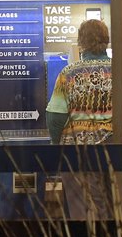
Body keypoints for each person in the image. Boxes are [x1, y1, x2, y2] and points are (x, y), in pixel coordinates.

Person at [46, 19, 113, 219]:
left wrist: (56, 144)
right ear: (106, 41)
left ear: (80, 43)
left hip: (76, 153)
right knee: (111, 211)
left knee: (81, 214)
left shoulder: (69, 73)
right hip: (115, 151)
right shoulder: (120, 71)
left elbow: (55, 117)